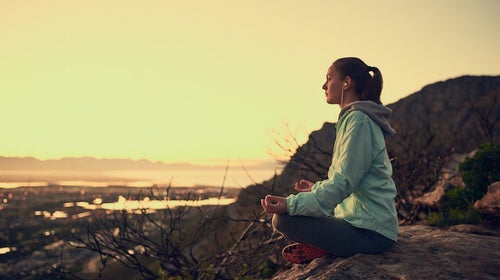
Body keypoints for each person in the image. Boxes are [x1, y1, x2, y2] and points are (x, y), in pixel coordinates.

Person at [261, 57, 398, 264]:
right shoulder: (354, 119)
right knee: (293, 216)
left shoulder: (359, 121)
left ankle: (328, 247)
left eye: (329, 78)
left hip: (371, 233)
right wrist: (316, 189)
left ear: (346, 82)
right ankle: (329, 245)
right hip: (363, 224)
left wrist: (291, 203)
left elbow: (344, 182)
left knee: (282, 219)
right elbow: (353, 180)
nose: (324, 85)